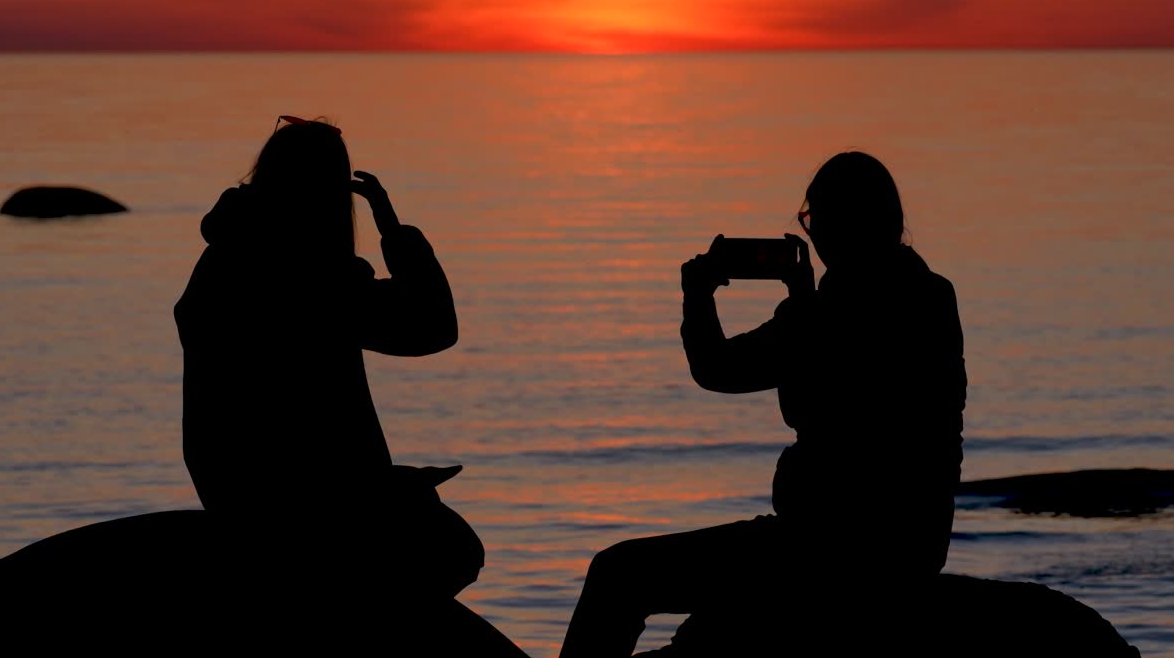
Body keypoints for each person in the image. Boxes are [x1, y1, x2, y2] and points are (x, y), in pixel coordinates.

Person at [559, 151, 967, 658]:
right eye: (809, 219)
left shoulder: (834, 310)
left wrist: (698, 297)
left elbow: (720, 370)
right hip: (912, 546)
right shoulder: (930, 296)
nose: (813, 233)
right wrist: (803, 301)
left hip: (825, 549)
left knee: (618, 573)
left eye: (816, 218)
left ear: (847, 222)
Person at [173, 115, 481, 601]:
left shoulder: (225, 257)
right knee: (454, 551)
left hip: (233, 486)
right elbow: (432, 328)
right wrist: (393, 230)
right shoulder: (307, 275)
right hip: (299, 502)